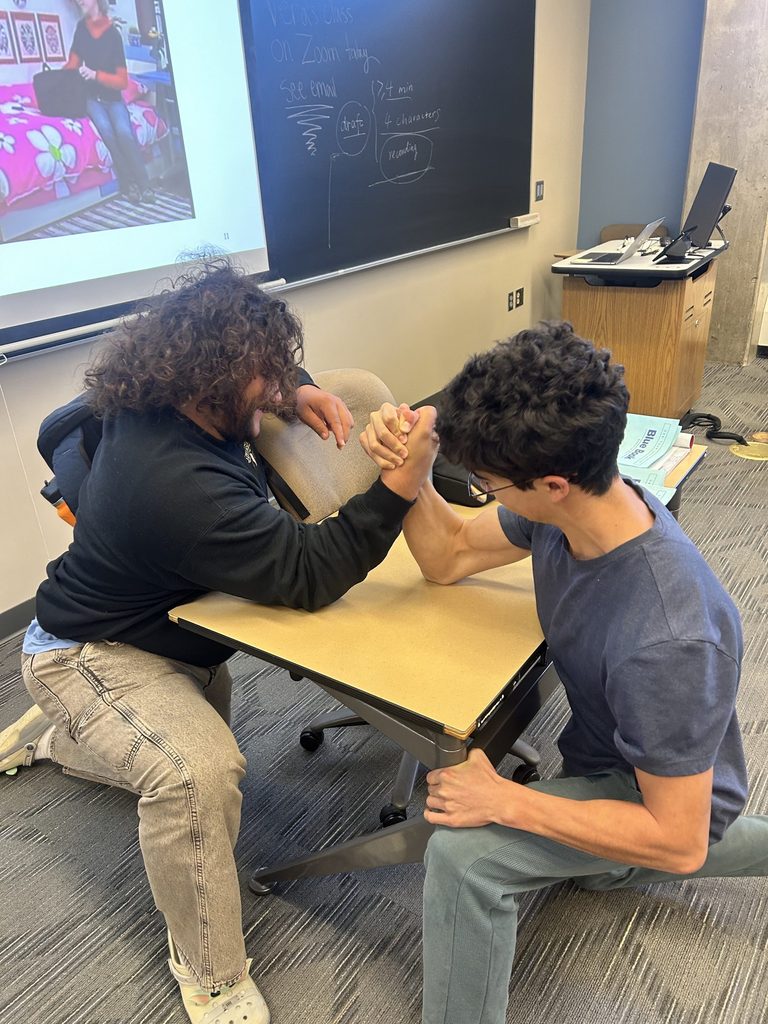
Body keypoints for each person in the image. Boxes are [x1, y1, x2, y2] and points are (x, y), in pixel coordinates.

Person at [0, 257, 438, 1024]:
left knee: (181, 752)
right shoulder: (176, 483)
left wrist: (294, 384)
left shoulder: (160, 389)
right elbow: (308, 571)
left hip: (172, 645)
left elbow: (255, 380)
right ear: (208, 378)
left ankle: (59, 743)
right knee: (198, 775)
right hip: (92, 657)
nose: (274, 394)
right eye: (263, 381)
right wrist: (402, 488)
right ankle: (210, 976)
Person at [360, 321, 767, 1024]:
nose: (483, 496)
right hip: (630, 763)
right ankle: (604, 855)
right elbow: (449, 553)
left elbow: (676, 840)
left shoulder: (668, 636)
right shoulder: (578, 509)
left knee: (466, 857)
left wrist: (507, 801)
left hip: (652, 804)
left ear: (551, 483)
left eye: (487, 485)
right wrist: (409, 476)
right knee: (644, 838)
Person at [64, 0, 155, 204]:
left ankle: (145, 185)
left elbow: (122, 81)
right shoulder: (81, 29)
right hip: (92, 99)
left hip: (113, 98)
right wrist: (57, 80)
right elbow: (73, 63)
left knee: (124, 134)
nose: (79, 1)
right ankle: (128, 184)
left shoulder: (113, 34)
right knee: (108, 134)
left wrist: (95, 75)